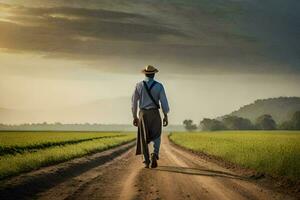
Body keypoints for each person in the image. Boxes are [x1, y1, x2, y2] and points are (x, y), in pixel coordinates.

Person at [131, 65, 170, 168]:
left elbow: (134, 103)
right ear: (154, 74)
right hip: (155, 113)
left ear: (145, 74)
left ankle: (146, 160)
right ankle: (155, 154)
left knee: (143, 137)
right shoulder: (159, 86)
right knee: (157, 134)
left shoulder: (138, 85)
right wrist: (165, 116)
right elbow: (164, 103)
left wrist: (135, 116)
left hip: (143, 114)